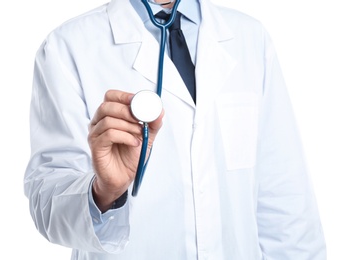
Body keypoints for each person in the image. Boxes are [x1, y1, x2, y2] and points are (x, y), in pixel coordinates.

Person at [24, 0, 327, 259]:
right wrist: (106, 191)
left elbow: (285, 200)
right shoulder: (68, 47)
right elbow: (47, 205)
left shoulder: (249, 37)